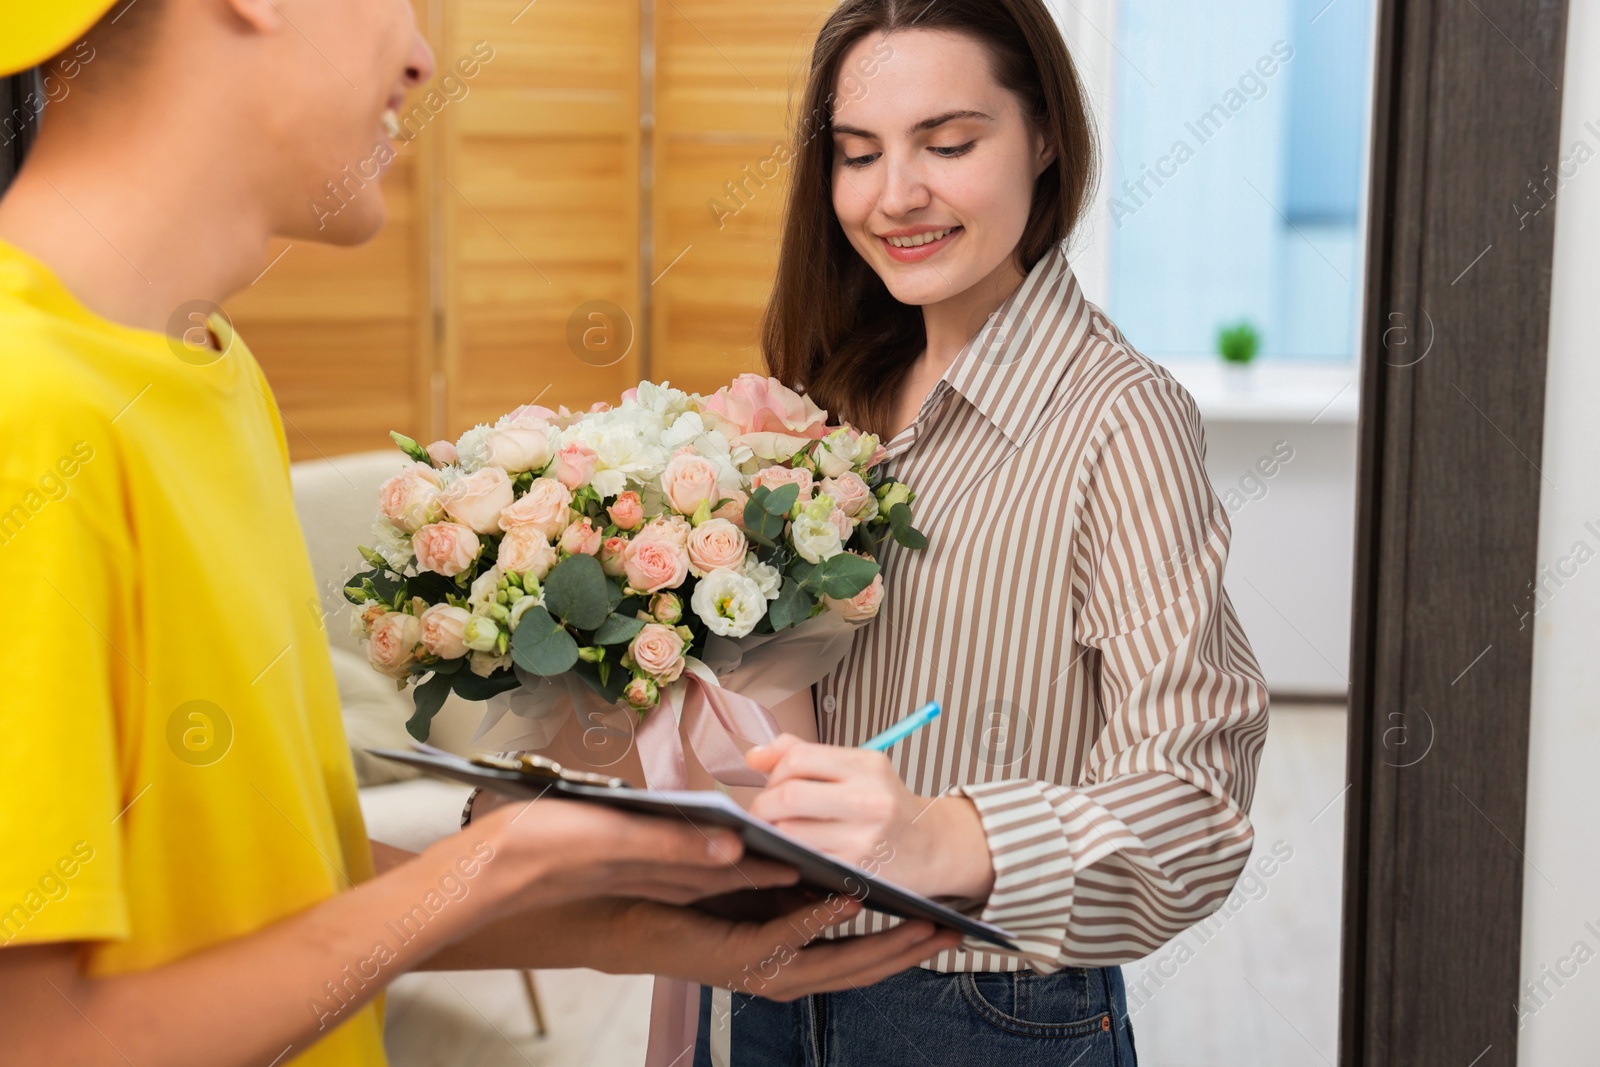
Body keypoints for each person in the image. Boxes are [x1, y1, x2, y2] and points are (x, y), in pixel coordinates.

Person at [0, 3, 961, 1066]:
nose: (419, 57)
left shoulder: (208, 373)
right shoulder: (26, 412)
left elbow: (261, 883)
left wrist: (619, 925)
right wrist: (494, 859)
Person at [708, 0, 1273, 1063]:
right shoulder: (825, 398)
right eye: (858, 154)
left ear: (1045, 135)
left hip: (978, 1012)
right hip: (775, 981)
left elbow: (1192, 808)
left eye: (950, 142)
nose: (894, 196)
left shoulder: (1117, 417)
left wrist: (932, 834)